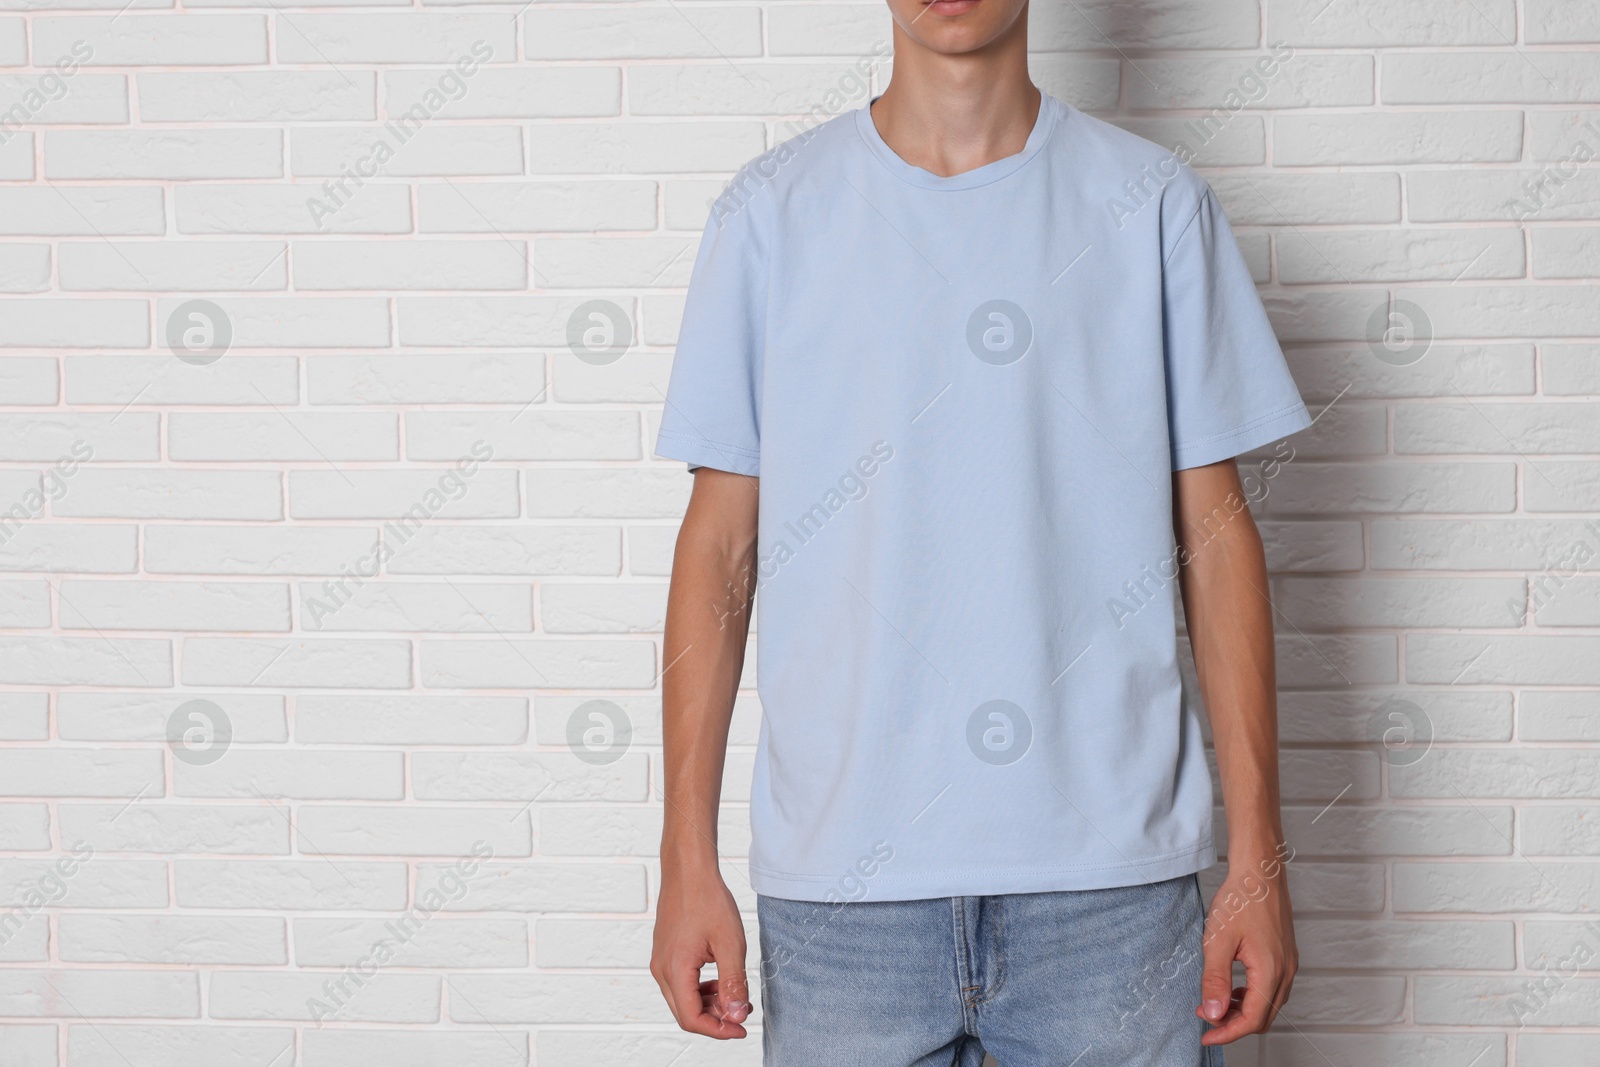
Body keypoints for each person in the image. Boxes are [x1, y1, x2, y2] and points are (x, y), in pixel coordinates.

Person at [648, 0, 1302, 1062]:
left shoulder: (1151, 204)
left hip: (1113, 897)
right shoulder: (770, 214)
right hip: (841, 902)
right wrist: (684, 854)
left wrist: (1257, 860)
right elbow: (718, 550)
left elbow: (1217, 543)